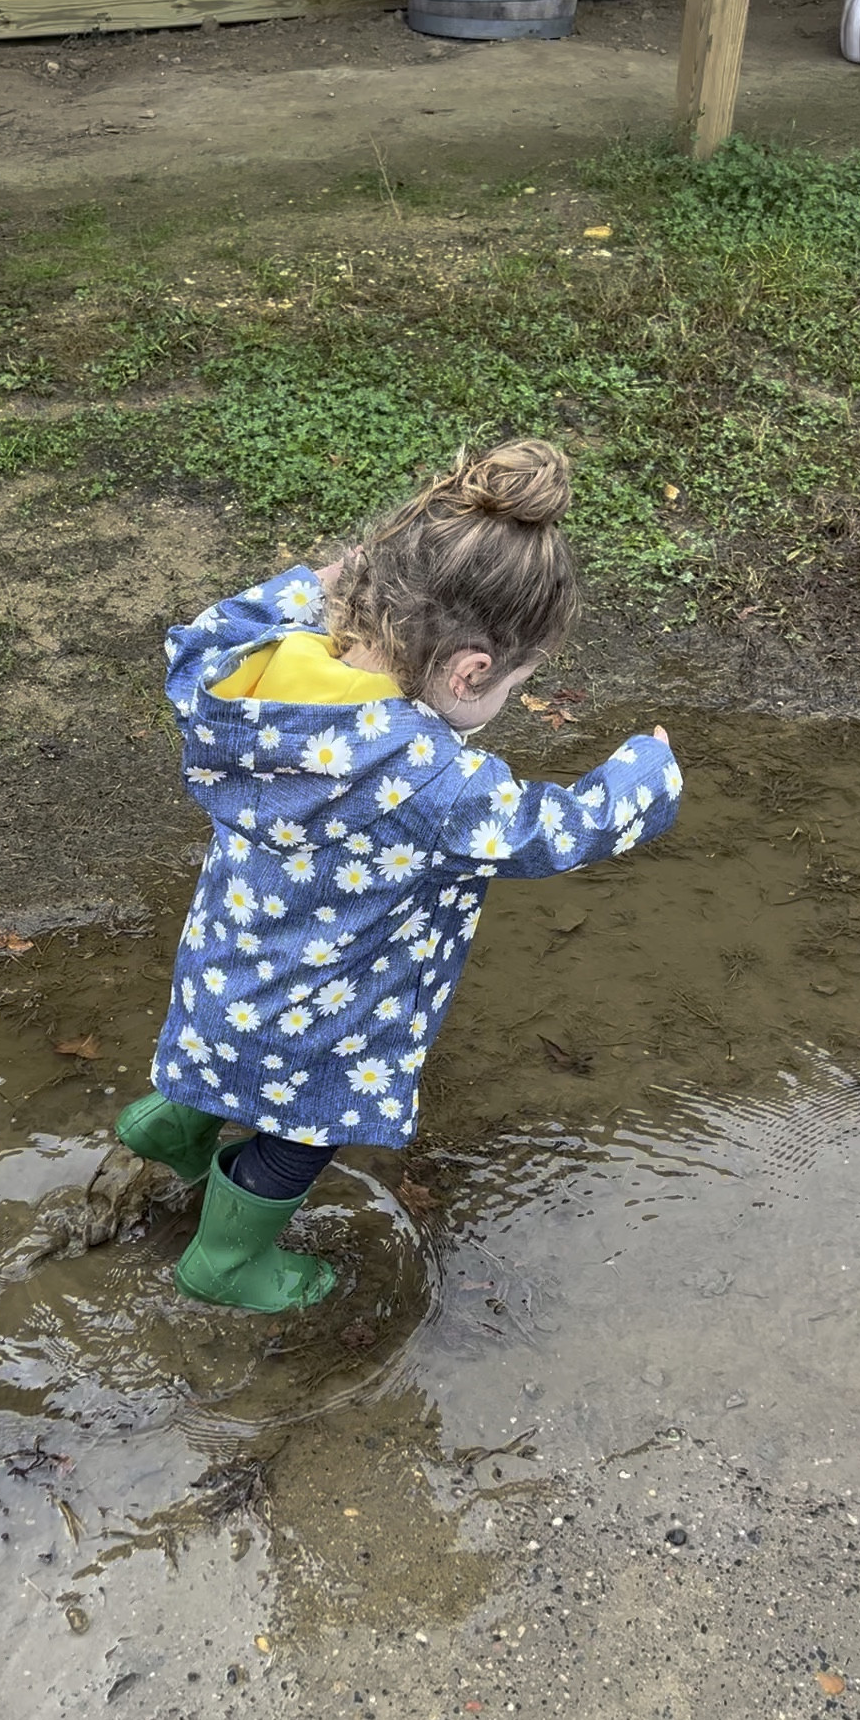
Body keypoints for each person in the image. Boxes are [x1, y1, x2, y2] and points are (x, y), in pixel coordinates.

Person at [116, 440, 682, 1312]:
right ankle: (224, 1265)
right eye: (514, 686)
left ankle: (168, 1126)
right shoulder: (426, 775)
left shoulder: (251, 674)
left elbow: (217, 623)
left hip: (226, 967)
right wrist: (642, 780)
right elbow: (542, 834)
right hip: (321, 1020)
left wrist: (331, 578)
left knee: (222, 1053)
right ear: (471, 670)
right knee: (303, 1132)